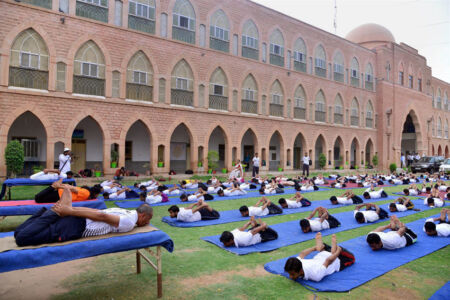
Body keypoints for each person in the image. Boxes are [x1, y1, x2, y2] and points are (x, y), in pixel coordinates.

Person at [14, 186, 153, 246]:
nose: (147, 223)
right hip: (75, 227)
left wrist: (71, 209)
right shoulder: (129, 221)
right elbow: (101, 216)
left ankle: (46, 212)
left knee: (17, 233)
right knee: (21, 238)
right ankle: (52, 212)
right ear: (144, 216)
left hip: (77, 221)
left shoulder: (124, 211)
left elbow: (98, 214)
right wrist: (69, 211)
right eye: (148, 220)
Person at [283, 233, 355, 282]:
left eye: (292, 274)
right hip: (323, 254)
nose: (290, 277)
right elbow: (302, 254)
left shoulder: (315, 276)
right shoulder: (298, 264)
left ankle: (332, 249)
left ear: (301, 271)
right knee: (327, 250)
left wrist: (338, 251)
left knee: (352, 259)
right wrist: (314, 248)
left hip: (337, 260)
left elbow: (328, 261)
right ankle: (321, 247)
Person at [34, 179, 101, 203]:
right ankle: (53, 186)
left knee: (38, 197)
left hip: (61, 194)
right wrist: (59, 186)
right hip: (61, 195)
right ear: (95, 193)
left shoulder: (86, 191)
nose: (98, 196)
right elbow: (73, 189)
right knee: (38, 199)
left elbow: (72, 187)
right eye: (98, 194)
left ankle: (53, 186)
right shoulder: (86, 193)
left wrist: (61, 185)